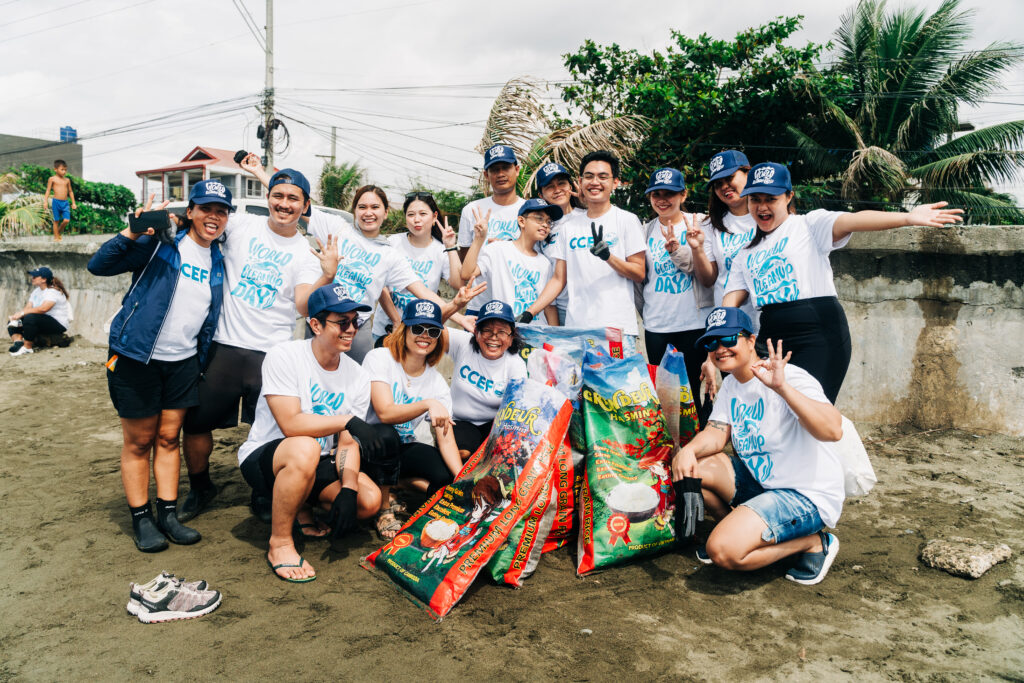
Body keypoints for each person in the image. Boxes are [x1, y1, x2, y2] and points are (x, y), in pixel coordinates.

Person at [723, 162, 963, 402]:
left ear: (788, 197)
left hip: (817, 333)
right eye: (755, 199)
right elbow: (729, 304)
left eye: (771, 198)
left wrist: (908, 217)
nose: (762, 207)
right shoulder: (745, 253)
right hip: (771, 337)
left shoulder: (810, 225)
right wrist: (718, 345)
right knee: (773, 411)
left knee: (811, 410)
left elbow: (855, 220)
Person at [179, 161, 331, 523]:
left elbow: (301, 304)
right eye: (278, 195)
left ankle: (265, 490)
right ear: (268, 197)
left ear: (304, 206)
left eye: (293, 198)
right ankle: (200, 487)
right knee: (197, 423)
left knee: (271, 430)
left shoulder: (305, 254)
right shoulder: (242, 225)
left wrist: (326, 274)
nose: (284, 203)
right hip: (225, 345)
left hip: (271, 354)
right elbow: (204, 232)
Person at [87, 180, 232, 552]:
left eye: (221, 211)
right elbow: (99, 266)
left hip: (182, 361)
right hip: (136, 356)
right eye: (205, 208)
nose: (213, 217)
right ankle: (142, 518)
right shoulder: (162, 244)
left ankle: (167, 514)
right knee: (139, 442)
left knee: (169, 439)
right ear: (192, 212)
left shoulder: (218, 258)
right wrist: (133, 231)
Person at [671, 306, 845, 585]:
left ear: (751, 340)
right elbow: (716, 433)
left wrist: (782, 389)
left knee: (722, 552)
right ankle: (737, 530)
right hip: (765, 485)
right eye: (712, 343)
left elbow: (833, 430)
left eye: (729, 339)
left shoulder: (788, 376)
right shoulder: (731, 386)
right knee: (696, 468)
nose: (720, 349)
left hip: (804, 495)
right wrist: (688, 451)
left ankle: (812, 542)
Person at [235, 285, 384, 582]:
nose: (351, 329)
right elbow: (291, 424)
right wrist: (348, 420)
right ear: (315, 325)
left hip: (317, 460)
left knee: (368, 502)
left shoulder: (358, 375)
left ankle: (301, 506)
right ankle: (280, 543)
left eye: (356, 322)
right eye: (342, 322)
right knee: (305, 447)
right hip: (269, 457)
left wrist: (349, 488)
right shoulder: (284, 355)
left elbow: (346, 443)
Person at [298, 184, 468, 362]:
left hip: (357, 324)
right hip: (323, 319)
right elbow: (295, 204)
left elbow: (423, 292)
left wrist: (461, 318)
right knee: (311, 373)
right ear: (354, 211)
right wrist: (267, 178)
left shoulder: (390, 255)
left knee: (358, 379)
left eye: (375, 207)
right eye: (362, 207)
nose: (368, 213)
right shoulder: (338, 228)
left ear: (385, 212)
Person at [361, 299, 464, 539]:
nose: (425, 336)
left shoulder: (436, 381)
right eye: (417, 328)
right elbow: (384, 412)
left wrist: (462, 479)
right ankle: (384, 509)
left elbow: (446, 439)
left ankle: (399, 486)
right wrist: (427, 404)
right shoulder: (380, 358)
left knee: (444, 476)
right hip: (369, 447)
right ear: (403, 329)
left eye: (433, 331)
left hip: (402, 448)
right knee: (387, 434)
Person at [521, 150, 645, 339]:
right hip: (577, 329)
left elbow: (639, 272)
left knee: (617, 370)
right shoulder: (568, 228)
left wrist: (608, 257)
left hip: (616, 331)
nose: (595, 182)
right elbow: (557, 279)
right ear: (580, 182)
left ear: (615, 182)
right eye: (589, 176)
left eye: (603, 177)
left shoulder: (627, 220)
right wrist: (529, 313)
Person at [637, 168, 714, 425]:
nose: (662, 199)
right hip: (658, 324)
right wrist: (645, 312)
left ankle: (699, 440)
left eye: (669, 193)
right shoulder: (644, 230)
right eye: (656, 194)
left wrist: (678, 250)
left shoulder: (702, 223)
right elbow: (639, 279)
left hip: (694, 323)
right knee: (665, 393)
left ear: (683, 193)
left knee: (694, 387)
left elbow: (704, 269)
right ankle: (672, 446)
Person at [371, 192, 464, 342]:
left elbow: (458, 283)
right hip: (387, 329)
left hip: (421, 332)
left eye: (423, 214)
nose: (416, 219)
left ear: (434, 217)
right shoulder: (393, 243)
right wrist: (396, 320)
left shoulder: (440, 250)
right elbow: (381, 285)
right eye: (411, 214)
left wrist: (451, 247)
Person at [461, 198, 561, 326]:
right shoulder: (498, 250)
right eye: (539, 218)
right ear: (521, 221)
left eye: (549, 222)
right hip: (506, 330)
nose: (545, 224)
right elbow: (466, 274)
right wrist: (478, 239)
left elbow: (549, 306)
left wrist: (555, 338)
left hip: (537, 334)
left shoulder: (545, 263)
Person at [447, 300, 528, 460]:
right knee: (463, 453)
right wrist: (457, 313)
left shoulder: (515, 364)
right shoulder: (464, 344)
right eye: (487, 330)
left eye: (502, 332)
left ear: (511, 337)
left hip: (494, 425)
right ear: (476, 333)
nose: (494, 337)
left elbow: (517, 409)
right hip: (460, 421)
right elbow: (432, 326)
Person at [456, 144, 526, 315]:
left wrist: (506, 248)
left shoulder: (529, 210)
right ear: (487, 175)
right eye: (495, 170)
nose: (501, 174)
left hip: (518, 303)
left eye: (506, 168)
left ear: (516, 170)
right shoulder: (472, 210)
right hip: (479, 304)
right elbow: (464, 257)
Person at [535, 162, 581, 325]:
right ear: (541, 195)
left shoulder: (588, 217)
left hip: (589, 306)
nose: (557, 190)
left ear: (571, 185)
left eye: (561, 183)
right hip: (558, 309)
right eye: (549, 186)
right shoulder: (542, 227)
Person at [7, 266, 71, 356]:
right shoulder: (36, 291)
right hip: (42, 320)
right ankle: (18, 343)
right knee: (13, 321)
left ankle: (27, 348)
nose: (32, 278)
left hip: (57, 323)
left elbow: (44, 309)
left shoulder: (53, 291)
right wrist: (17, 316)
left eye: (35, 277)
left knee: (30, 318)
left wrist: (23, 313)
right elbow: (28, 308)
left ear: (44, 279)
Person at [43, 160, 76, 242]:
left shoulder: (67, 180)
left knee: (66, 220)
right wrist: (45, 202)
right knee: (56, 220)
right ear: (55, 169)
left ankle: (58, 232)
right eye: (62, 169)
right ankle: (56, 237)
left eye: (65, 170)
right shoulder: (52, 179)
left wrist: (73, 203)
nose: (64, 171)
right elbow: (48, 190)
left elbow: (70, 191)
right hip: (56, 202)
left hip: (65, 203)